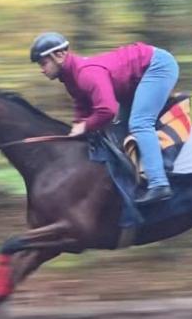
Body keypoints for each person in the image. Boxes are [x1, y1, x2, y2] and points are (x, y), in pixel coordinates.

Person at [29, 32, 179, 205]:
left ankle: (159, 183)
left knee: (140, 123)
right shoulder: (71, 79)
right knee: (117, 133)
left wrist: (85, 126)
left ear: (60, 55)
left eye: (43, 63)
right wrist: (77, 126)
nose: (42, 69)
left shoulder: (86, 73)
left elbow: (108, 110)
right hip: (134, 80)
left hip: (157, 65)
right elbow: (82, 103)